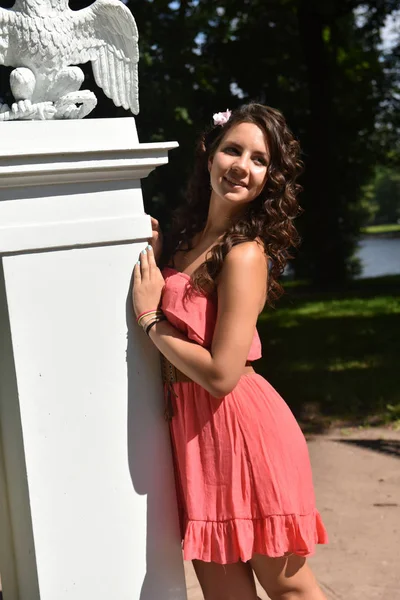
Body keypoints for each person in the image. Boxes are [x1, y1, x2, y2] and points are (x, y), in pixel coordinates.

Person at [132, 103, 328, 600]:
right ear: (210, 155)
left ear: (269, 178)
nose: (242, 165)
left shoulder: (244, 255)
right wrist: (154, 255)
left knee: (290, 591)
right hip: (191, 434)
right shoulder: (182, 241)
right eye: (233, 150)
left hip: (240, 428)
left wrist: (150, 319)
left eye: (259, 159)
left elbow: (222, 373)